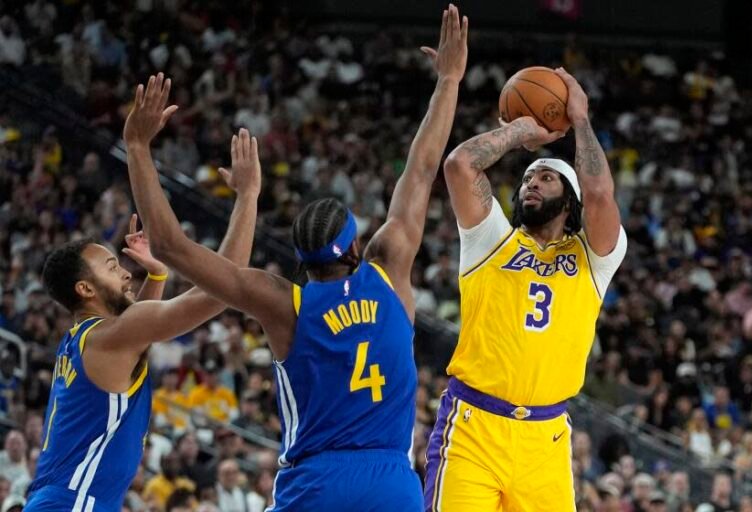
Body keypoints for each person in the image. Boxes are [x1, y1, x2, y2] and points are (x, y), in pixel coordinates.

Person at [121, 5, 468, 511]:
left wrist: (137, 147)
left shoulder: (284, 302)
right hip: (392, 479)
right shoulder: (389, 268)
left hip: (317, 481)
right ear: (354, 247)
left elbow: (170, 245)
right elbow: (421, 168)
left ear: (302, 261)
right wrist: (449, 80)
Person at [25, 129, 262, 512]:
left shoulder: (87, 339)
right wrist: (248, 196)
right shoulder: (108, 336)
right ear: (86, 289)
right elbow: (222, 289)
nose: (124, 273)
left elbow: (138, 340)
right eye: (112, 266)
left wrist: (157, 277)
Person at [426, 67, 627, 511]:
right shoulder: (492, 238)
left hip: (546, 439)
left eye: (545, 177)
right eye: (527, 178)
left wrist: (579, 121)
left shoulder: (594, 259)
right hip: (473, 428)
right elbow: (460, 165)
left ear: (568, 200)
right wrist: (521, 131)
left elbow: (599, 193)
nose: (531, 182)